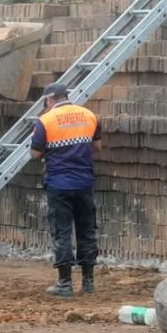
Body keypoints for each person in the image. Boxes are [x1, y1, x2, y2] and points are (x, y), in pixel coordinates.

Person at [29, 82, 101, 297]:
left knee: (62, 232)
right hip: (84, 183)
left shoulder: (45, 121)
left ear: (49, 100)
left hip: (59, 185)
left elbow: (35, 154)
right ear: (66, 96)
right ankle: (88, 282)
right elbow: (97, 146)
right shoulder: (89, 115)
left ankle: (65, 283)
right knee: (87, 230)